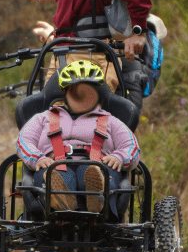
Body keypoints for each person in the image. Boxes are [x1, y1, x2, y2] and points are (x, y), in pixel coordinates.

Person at [16, 61, 139, 220]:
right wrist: (36, 158)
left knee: (93, 173)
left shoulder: (111, 121)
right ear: (65, 92)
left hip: (99, 165)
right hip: (53, 164)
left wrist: (119, 157)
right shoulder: (43, 118)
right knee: (55, 174)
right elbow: (23, 141)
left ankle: (95, 196)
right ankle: (62, 196)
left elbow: (132, 146)